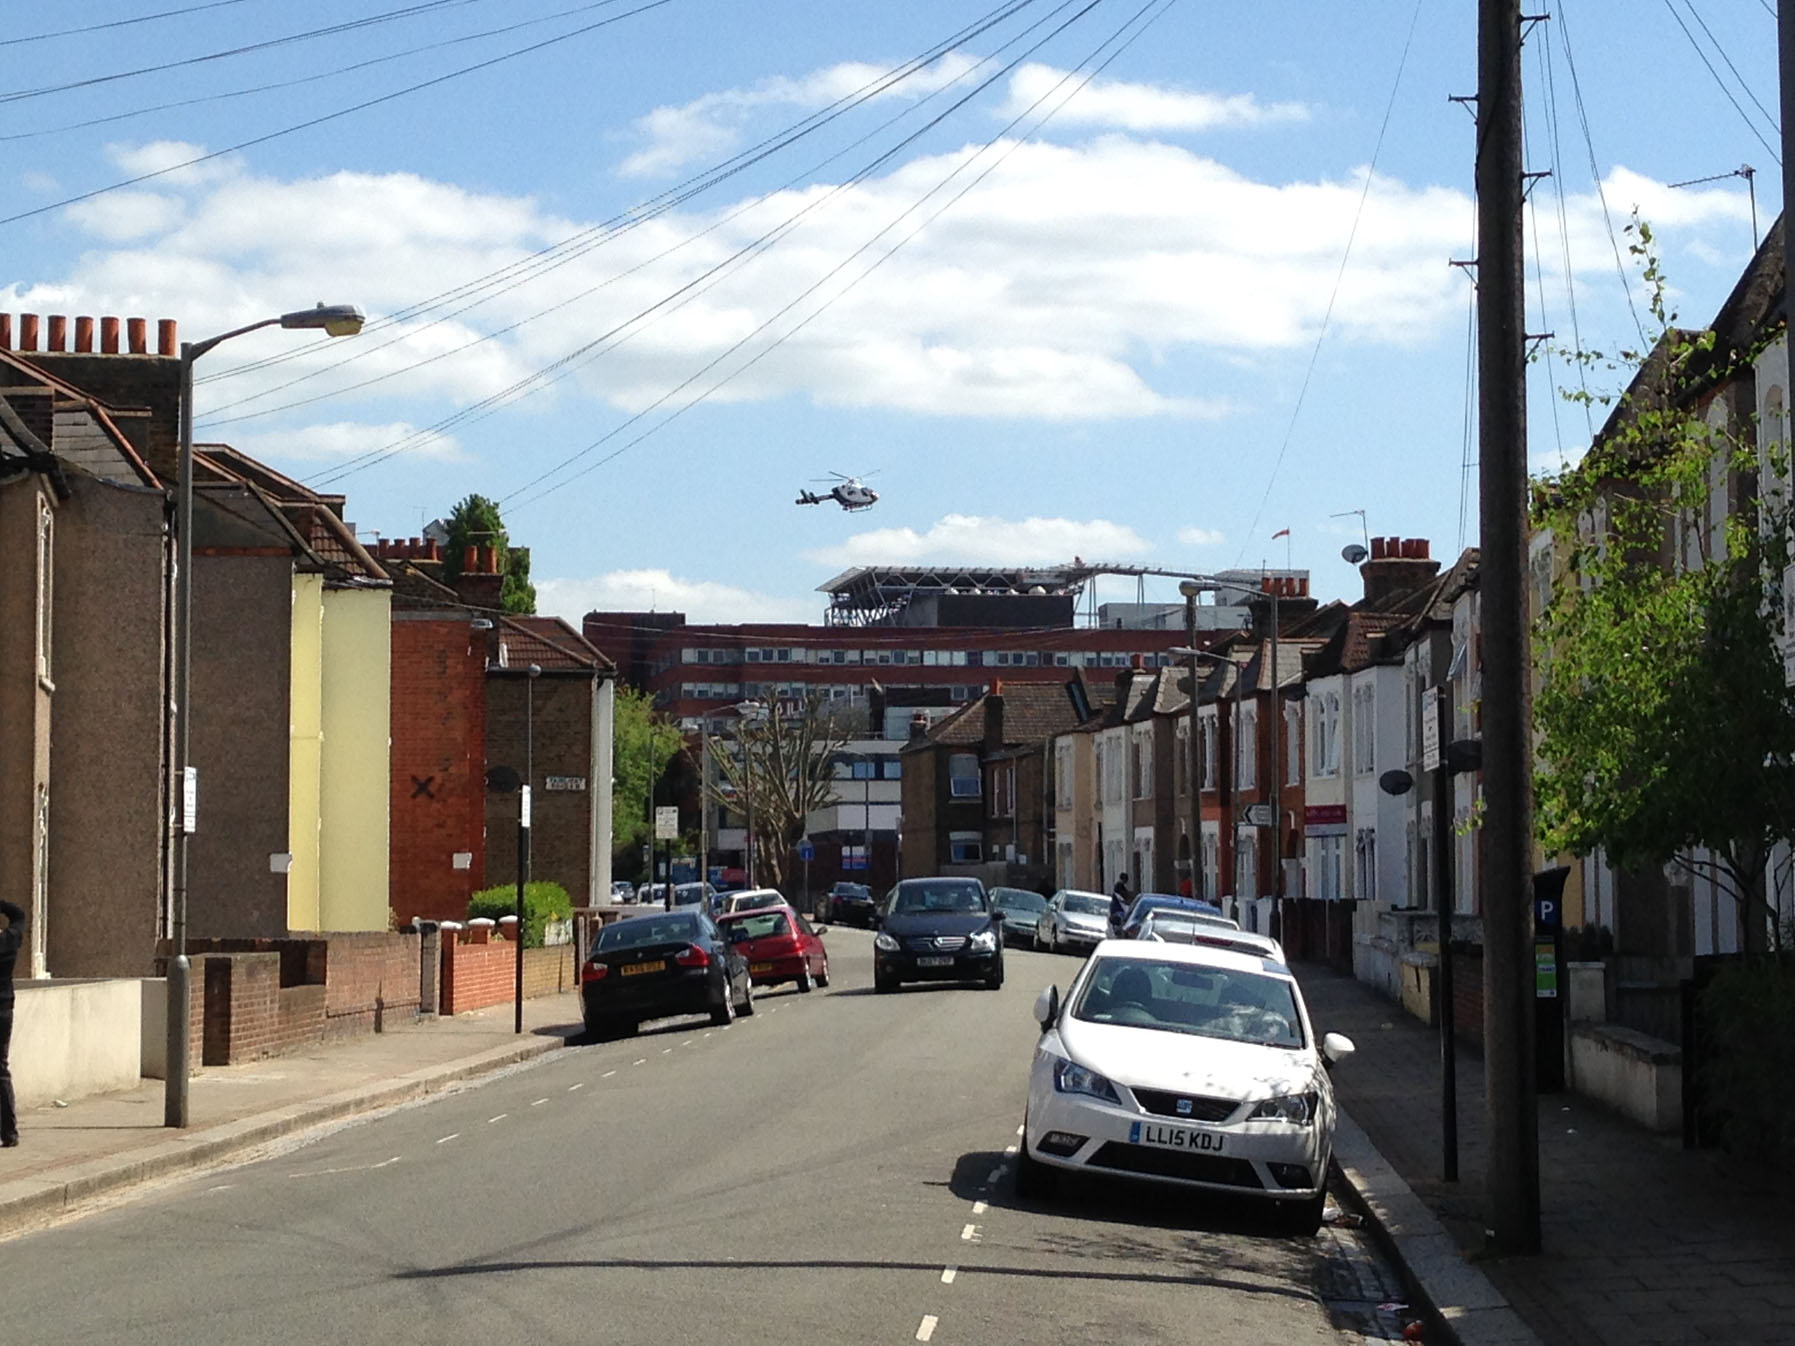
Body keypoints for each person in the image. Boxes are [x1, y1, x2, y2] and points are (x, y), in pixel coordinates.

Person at [0, 898, 25, 1147]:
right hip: (4, 1011)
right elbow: (19, 914)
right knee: (1, 1070)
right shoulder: (9, 941)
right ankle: (9, 1132)